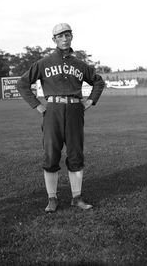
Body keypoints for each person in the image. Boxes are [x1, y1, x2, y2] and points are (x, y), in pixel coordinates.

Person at [17, 23, 105, 213]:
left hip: (75, 110)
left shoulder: (80, 65)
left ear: (71, 36)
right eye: (60, 36)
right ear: (54, 39)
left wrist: (90, 102)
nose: (64, 38)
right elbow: (22, 84)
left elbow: (98, 82)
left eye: (67, 35)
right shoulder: (44, 62)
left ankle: (77, 197)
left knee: (75, 153)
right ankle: (52, 198)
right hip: (53, 110)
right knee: (51, 154)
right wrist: (37, 105)